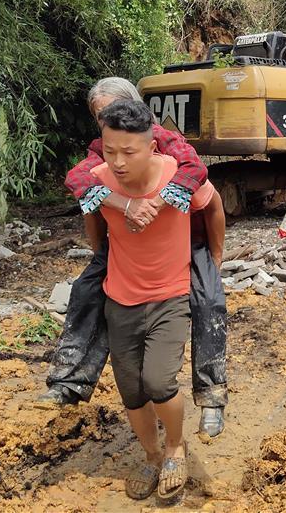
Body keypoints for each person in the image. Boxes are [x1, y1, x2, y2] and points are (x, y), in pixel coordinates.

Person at [40, 77, 228, 439]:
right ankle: (70, 380)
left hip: (187, 241)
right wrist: (108, 238)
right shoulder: (103, 150)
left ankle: (212, 395)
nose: (106, 123)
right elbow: (82, 187)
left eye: (110, 112)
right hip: (128, 254)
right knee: (86, 292)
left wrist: (213, 256)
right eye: (100, 118)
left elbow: (198, 175)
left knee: (210, 301)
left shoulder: (165, 143)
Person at [93, 99, 222, 501]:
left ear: (151, 146)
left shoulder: (176, 178)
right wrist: (100, 258)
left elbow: (213, 206)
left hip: (170, 295)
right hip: (120, 299)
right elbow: (91, 214)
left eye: (128, 152)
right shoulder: (99, 179)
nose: (117, 161)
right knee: (131, 389)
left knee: (159, 381)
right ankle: (150, 454)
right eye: (110, 150)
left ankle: (174, 448)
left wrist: (214, 261)